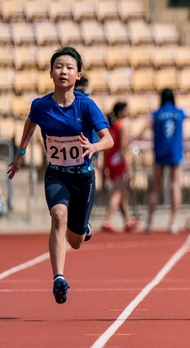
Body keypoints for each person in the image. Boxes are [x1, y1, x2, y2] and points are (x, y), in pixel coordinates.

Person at [7, 47, 113, 304]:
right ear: (51, 73)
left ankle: (83, 228)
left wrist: (93, 147)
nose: (63, 71)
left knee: (75, 241)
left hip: (83, 177)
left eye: (69, 67)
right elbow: (31, 123)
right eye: (58, 67)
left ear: (78, 75)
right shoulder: (41, 105)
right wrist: (21, 151)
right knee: (58, 217)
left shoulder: (85, 105)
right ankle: (59, 278)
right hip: (56, 174)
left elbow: (108, 139)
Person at [133, 88, 190, 234]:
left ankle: (149, 222)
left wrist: (132, 139)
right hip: (175, 152)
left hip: (160, 153)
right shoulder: (181, 111)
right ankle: (173, 222)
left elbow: (142, 130)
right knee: (175, 186)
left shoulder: (155, 114)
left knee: (155, 188)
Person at [101, 101, 138, 233]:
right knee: (118, 191)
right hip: (118, 161)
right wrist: (128, 168)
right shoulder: (122, 126)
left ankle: (127, 220)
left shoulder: (112, 127)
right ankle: (107, 220)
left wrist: (105, 164)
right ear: (121, 112)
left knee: (122, 192)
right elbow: (123, 148)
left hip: (111, 160)